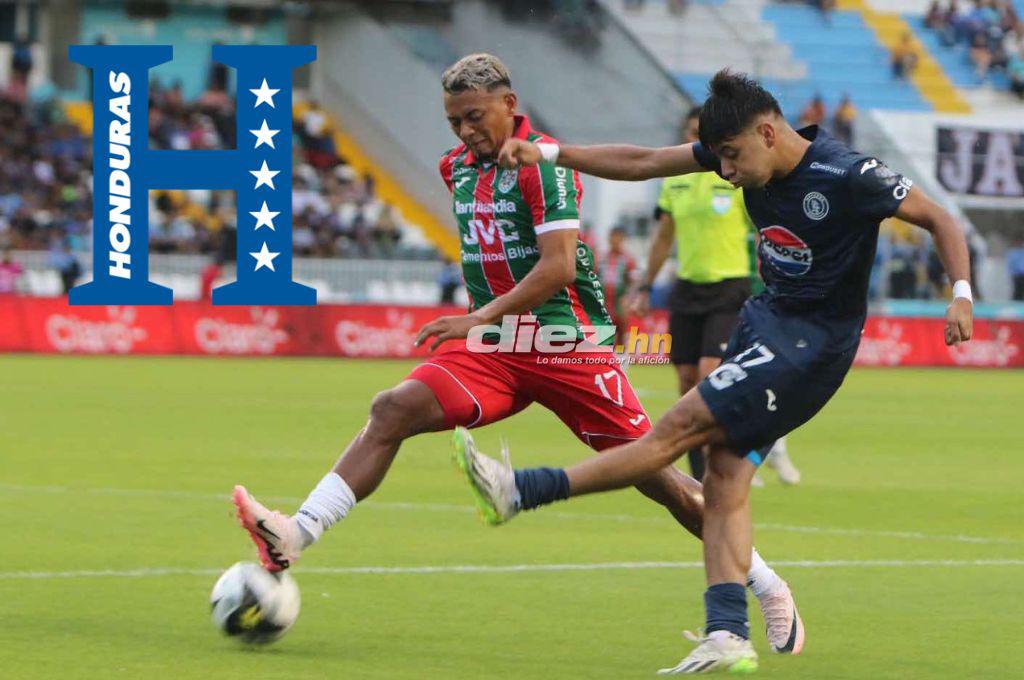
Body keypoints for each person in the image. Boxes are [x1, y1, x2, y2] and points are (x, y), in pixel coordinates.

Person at [230, 55, 802, 656]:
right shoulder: (456, 168)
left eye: (474, 116)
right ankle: (296, 532)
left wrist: (477, 316)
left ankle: (766, 585)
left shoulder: (544, 166)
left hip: (568, 348)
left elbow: (557, 268)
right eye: (454, 121)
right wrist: (484, 326)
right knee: (392, 408)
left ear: (509, 104)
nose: (464, 131)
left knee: (662, 483)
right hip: (497, 350)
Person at [458, 70, 973, 674]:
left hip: (813, 343)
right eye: (718, 158)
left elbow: (939, 217)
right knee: (724, 476)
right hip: (766, 322)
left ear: (767, 131)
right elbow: (644, 160)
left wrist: (960, 291)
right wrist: (551, 151)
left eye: (731, 157)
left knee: (676, 426)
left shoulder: (848, 174)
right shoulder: (737, 150)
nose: (725, 171)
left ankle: (525, 490)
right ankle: (727, 631)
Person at [636, 105, 799, 486]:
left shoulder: (732, 177)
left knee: (711, 375)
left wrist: (782, 275)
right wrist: (645, 284)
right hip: (687, 288)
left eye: (701, 134)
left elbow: (765, 227)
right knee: (686, 381)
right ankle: (701, 477)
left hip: (729, 285)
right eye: (689, 132)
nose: (694, 140)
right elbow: (663, 238)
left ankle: (740, 451)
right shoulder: (673, 182)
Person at [599, 225, 637, 365]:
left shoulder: (628, 260)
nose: (614, 240)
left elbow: (633, 282)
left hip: (619, 303)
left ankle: (622, 366)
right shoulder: (602, 258)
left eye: (618, 237)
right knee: (603, 336)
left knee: (621, 336)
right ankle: (603, 365)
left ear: (622, 239)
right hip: (604, 304)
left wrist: (628, 298)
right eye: (612, 237)